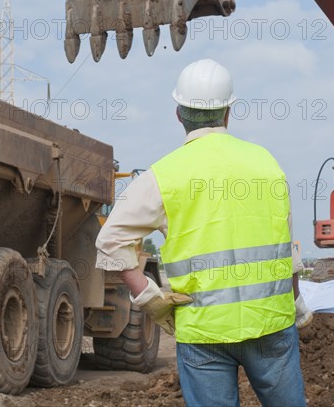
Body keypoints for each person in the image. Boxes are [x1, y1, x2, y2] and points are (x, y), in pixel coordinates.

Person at [96, 58, 312, 407]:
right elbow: (286, 250)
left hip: (203, 332)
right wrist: (297, 300)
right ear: (229, 111)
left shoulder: (164, 175)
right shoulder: (266, 163)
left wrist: (150, 299)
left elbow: (110, 242)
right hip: (271, 325)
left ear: (179, 114)